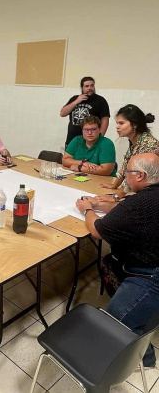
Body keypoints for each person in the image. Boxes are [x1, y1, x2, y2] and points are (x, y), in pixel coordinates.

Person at [76, 153, 159, 369]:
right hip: (149, 262)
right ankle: (145, 355)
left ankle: (142, 359)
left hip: (149, 275)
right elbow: (129, 211)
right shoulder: (150, 196)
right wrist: (107, 206)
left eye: (127, 173)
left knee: (117, 322)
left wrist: (87, 210)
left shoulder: (140, 203)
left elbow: (96, 230)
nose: (123, 176)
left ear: (140, 176)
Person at [100, 104, 159, 199]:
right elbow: (126, 166)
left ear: (135, 124)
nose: (117, 127)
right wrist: (114, 186)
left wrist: (115, 197)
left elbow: (134, 173)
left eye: (121, 123)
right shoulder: (135, 140)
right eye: (117, 123)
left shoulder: (148, 144)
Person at [60, 76, 110, 146]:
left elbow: (105, 120)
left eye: (92, 85)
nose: (90, 88)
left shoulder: (100, 101)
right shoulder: (75, 98)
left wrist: (100, 137)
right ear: (82, 88)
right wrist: (76, 101)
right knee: (68, 157)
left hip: (90, 141)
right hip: (72, 140)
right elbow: (62, 113)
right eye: (87, 86)